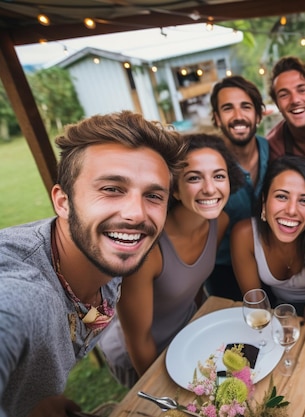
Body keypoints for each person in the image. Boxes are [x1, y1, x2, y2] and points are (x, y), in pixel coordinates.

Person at [0, 111, 184, 417]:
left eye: (153, 195)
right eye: (112, 189)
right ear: (63, 202)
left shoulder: (107, 253)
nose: (137, 214)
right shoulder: (25, 295)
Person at [98, 133, 244, 387]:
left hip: (185, 338)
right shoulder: (147, 250)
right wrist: (159, 389)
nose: (210, 188)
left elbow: (195, 282)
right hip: (139, 354)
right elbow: (138, 339)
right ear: (173, 188)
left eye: (219, 176)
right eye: (194, 178)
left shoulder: (219, 223)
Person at [230, 155, 305, 318]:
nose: (291, 210)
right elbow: (256, 304)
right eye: (282, 196)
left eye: (304, 200)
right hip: (277, 311)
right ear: (265, 201)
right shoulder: (245, 236)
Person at [204, 75, 270, 301]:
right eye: (228, 108)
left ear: (258, 115)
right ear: (217, 118)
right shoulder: (207, 164)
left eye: (246, 107)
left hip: (270, 262)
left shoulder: (273, 151)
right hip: (223, 268)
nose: (238, 116)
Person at [266, 56, 305, 172]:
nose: (295, 100)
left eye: (302, 90)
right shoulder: (273, 148)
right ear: (277, 105)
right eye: (284, 95)